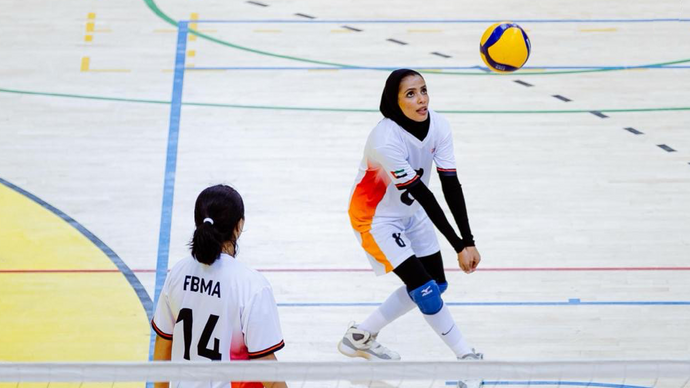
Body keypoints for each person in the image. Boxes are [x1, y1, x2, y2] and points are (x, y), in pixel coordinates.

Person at [339, 69, 483, 374]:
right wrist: (458, 245)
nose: (421, 99)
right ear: (395, 101)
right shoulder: (385, 139)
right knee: (425, 290)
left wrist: (468, 241)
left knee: (436, 284)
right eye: (410, 94)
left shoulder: (440, 126)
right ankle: (467, 361)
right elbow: (426, 195)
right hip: (376, 218)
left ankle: (359, 336)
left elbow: (450, 186)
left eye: (424, 90)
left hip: (412, 212)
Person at [152, 184, 287, 388]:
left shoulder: (177, 274)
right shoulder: (252, 286)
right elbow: (267, 369)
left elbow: (163, 346)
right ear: (239, 226)